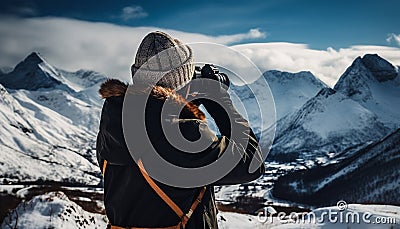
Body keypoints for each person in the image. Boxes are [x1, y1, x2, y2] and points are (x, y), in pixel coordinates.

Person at [96, 31, 264, 229]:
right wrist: (219, 100)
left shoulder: (113, 124)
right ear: (181, 83)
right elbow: (252, 163)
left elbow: (155, 124)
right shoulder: (187, 138)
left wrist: (186, 106)